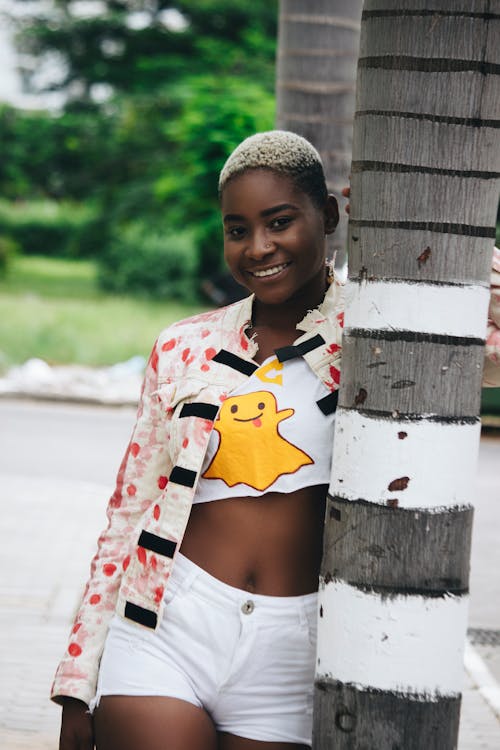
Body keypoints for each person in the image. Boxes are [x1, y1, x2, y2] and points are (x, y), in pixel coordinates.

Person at [52, 131, 500, 750]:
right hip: (168, 626)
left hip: (295, 651)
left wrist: (396, 228)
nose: (258, 247)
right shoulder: (185, 344)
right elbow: (128, 511)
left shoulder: (384, 330)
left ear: (331, 216)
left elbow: (491, 335)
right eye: (238, 229)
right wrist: (77, 682)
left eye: (280, 221)